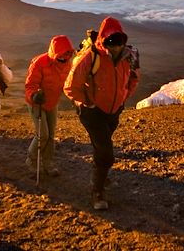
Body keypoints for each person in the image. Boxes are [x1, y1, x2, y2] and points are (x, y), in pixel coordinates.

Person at [64, 16, 140, 210]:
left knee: (102, 148)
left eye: (119, 42)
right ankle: (97, 191)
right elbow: (70, 86)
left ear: (124, 40)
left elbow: (133, 79)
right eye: (111, 42)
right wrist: (88, 102)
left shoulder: (129, 56)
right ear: (103, 40)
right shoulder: (91, 56)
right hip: (92, 112)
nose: (115, 47)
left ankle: (100, 176)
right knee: (106, 153)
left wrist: (123, 99)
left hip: (114, 110)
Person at [24, 35, 75, 177]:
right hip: (37, 103)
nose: (65, 58)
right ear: (55, 52)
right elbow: (30, 85)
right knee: (43, 134)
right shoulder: (40, 63)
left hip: (52, 102)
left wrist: (75, 98)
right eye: (62, 54)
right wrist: (34, 95)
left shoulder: (69, 65)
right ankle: (31, 160)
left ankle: (48, 163)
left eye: (67, 54)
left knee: (51, 135)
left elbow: (69, 85)